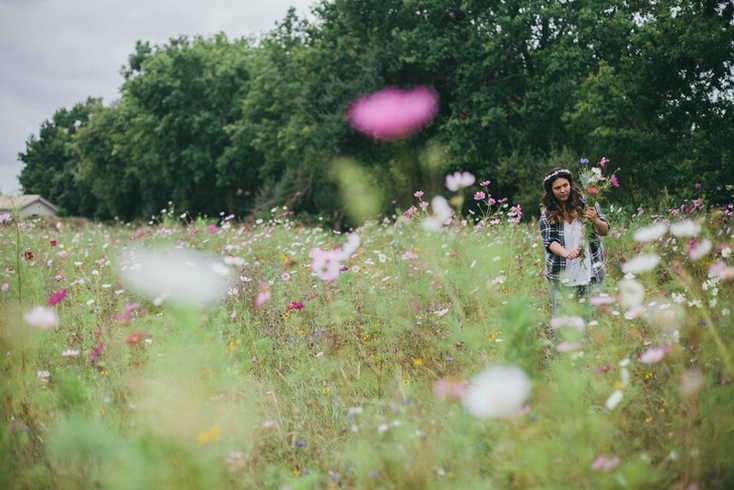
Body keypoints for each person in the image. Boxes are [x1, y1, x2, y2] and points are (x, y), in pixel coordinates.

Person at [539, 167, 609, 316]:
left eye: (565, 185)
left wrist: (595, 219)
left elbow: (604, 231)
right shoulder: (547, 214)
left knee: (590, 317)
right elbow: (550, 241)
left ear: (571, 185)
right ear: (551, 191)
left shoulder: (587, 204)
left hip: (590, 271)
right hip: (562, 274)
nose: (563, 190)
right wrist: (566, 252)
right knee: (563, 320)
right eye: (557, 188)